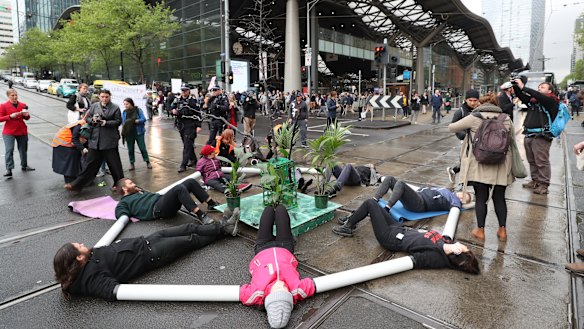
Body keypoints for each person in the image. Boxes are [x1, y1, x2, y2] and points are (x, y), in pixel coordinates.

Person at [53, 208, 240, 300]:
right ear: (78, 257)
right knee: (191, 240)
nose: (82, 243)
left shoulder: (88, 260)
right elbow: (111, 291)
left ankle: (222, 226)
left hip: (146, 240)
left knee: (189, 227)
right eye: (78, 245)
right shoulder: (90, 279)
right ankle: (224, 229)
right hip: (152, 254)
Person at [331, 199, 480, 275]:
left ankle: (348, 226)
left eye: (464, 247)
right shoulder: (447, 242)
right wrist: (447, 245)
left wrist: (444, 247)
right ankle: (352, 219)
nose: (462, 243)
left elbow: (416, 260)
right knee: (375, 203)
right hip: (398, 228)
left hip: (389, 237)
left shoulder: (437, 258)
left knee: (371, 204)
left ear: (458, 251)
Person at [448, 93, 515, 241]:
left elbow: (452, 127)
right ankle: (502, 230)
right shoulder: (506, 119)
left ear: (481, 104)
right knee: (499, 198)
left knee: (481, 198)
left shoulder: (474, 117)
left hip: (479, 165)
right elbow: (512, 142)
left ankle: (481, 230)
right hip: (501, 166)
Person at [240, 205, 316, 329]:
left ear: (267, 298)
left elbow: (238, 294)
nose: (281, 285)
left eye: (277, 290)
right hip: (285, 247)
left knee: (268, 211)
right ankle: (290, 235)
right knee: (281, 210)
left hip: (262, 249)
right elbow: (315, 285)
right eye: (285, 291)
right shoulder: (297, 290)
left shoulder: (256, 294)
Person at [64, 89, 124, 192]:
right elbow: (87, 118)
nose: (104, 99)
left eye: (106, 97)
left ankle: (120, 185)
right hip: (95, 140)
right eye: (102, 97)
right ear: (99, 97)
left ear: (110, 97)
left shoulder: (115, 107)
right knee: (89, 165)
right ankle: (77, 185)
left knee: (115, 165)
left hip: (109, 141)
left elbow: (118, 121)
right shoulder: (94, 106)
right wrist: (93, 120)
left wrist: (105, 122)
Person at [512, 77, 559, 195]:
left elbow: (539, 96)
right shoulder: (534, 101)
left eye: (542, 87)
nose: (539, 89)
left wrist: (524, 87)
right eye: (538, 87)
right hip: (529, 133)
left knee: (541, 161)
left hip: (542, 135)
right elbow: (522, 96)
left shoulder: (551, 101)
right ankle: (535, 181)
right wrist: (516, 86)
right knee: (532, 160)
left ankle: (543, 184)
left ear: (549, 91)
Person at [115, 177, 219, 224]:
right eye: (130, 184)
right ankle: (201, 215)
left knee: (190, 182)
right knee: (179, 188)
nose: (134, 184)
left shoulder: (138, 192)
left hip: (162, 201)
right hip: (157, 209)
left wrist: (140, 191)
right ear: (124, 189)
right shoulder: (124, 202)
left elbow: (151, 196)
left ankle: (211, 204)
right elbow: (120, 214)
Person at [367, 175, 473, 215]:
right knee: (390, 179)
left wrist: (472, 203)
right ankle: (375, 198)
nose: (461, 197)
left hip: (420, 204)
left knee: (401, 184)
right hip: (416, 196)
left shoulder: (454, 202)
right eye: (463, 195)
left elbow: (461, 208)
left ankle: (387, 208)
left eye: (463, 199)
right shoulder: (449, 191)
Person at [446, 89, 480, 183]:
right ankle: (464, 182)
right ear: (466, 100)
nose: (472, 103)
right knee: (467, 161)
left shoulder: (479, 109)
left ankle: (453, 171)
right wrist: (463, 136)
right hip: (465, 140)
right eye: (470, 100)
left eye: (475, 100)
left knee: (471, 161)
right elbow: (454, 126)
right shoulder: (460, 111)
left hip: (478, 140)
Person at [0, 89, 35, 177]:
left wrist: (27, 116)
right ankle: (9, 169)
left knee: (23, 149)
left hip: (21, 130)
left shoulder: (23, 105)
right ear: (8, 96)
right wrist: (10, 116)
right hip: (9, 131)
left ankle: (24, 165)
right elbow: (0, 118)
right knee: (9, 149)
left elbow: (27, 118)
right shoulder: (3, 106)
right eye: (12, 95)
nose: (15, 97)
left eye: (16, 95)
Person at [172, 86, 202, 173]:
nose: (184, 92)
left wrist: (199, 126)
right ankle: (193, 160)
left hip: (190, 125)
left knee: (187, 145)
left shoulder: (193, 101)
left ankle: (183, 165)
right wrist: (173, 110)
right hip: (181, 125)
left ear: (189, 91)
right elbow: (171, 107)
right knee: (188, 144)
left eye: (185, 91)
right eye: (182, 91)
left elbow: (198, 114)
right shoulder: (177, 100)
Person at [51, 115, 89, 183]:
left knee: (73, 163)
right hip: (63, 145)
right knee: (69, 165)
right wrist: (83, 148)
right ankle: (70, 183)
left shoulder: (81, 123)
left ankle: (74, 181)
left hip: (64, 143)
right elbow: (75, 139)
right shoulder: (80, 125)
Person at [121, 98, 151, 171]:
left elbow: (143, 118)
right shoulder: (124, 112)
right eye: (124, 104)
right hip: (129, 133)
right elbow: (123, 122)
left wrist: (138, 121)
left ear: (131, 103)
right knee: (130, 149)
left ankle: (147, 161)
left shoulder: (138, 110)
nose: (125, 105)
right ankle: (132, 163)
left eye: (127, 104)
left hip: (138, 132)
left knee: (142, 148)